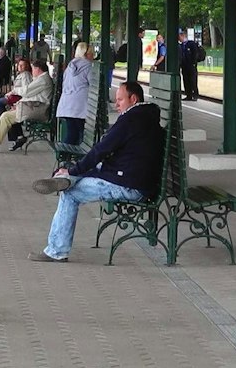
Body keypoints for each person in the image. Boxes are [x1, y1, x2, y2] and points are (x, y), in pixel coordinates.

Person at [28, 80, 164, 263]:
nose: (116, 104)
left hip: (129, 185)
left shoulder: (130, 120)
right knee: (87, 171)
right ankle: (68, 177)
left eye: (120, 100)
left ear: (133, 99)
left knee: (70, 194)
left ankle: (56, 250)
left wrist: (76, 168)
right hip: (135, 179)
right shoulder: (147, 117)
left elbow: (101, 150)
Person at [0, 58, 52, 152]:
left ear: (38, 69)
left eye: (33, 69)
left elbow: (26, 91)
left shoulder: (43, 79)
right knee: (6, 115)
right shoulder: (42, 79)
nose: (32, 71)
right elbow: (31, 95)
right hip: (34, 107)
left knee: (5, 115)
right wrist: (19, 104)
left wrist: (14, 90)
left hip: (37, 109)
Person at [56, 41, 95, 147]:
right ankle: (66, 154)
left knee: (72, 132)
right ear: (85, 54)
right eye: (92, 53)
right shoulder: (88, 66)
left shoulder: (70, 66)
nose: (93, 55)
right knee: (81, 135)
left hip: (67, 105)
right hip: (81, 107)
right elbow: (94, 85)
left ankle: (65, 156)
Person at [0, 56, 30, 126]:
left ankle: (3, 123)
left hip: (18, 97)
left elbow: (24, 89)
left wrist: (12, 93)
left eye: (22, 65)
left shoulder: (25, 75)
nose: (20, 67)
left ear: (26, 66)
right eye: (19, 65)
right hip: (16, 96)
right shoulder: (21, 74)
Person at [177, 27, 204, 100]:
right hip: (184, 66)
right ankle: (188, 94)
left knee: (193, 80)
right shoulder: (181, 45)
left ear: (183, 35)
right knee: (186, 80)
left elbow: (195, 54)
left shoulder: (191, 44)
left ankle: (195, 94)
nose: (179, 39)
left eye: (179, 36)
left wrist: (193, 62)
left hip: (191, 65)